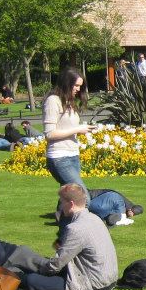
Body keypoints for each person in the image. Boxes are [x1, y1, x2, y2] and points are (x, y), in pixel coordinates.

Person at [21, 184, 118, 290]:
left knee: (30, 280)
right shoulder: (95, 218)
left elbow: (57, 264)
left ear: (71, 204)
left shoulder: (76, 228)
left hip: (93, 285)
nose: (61, 207)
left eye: (62, 202)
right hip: (109, 279)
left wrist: (40, 272)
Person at [43, 68, 95, 208]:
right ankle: (81, 220)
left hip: (72, 155)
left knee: (68, 196)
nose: (78, 89)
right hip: (59, 157)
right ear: (67, 83)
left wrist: (81, 130)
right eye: (76, 85)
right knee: (83, 198)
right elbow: (49, 134)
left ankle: (62, 217)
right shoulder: (53, 101)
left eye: (80, 86)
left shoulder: (69, 101)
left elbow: (66, 127)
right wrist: (77, 129)